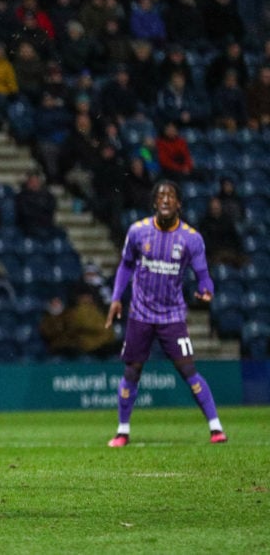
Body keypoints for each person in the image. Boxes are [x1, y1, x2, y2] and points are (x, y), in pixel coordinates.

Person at [104, 180, 227, 447]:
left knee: (188, 370)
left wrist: (207, 289)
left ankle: (216, 427)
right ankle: (122, 430)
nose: (166, 199)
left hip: (172, 316)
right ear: (154, 202)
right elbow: (125, 266)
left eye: (171, 195)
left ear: (179, 203)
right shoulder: (138, 232)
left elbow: (203, 275)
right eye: (161, 195)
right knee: (132, 370)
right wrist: (116, 298)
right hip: (140, 313)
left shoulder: (191, 238)